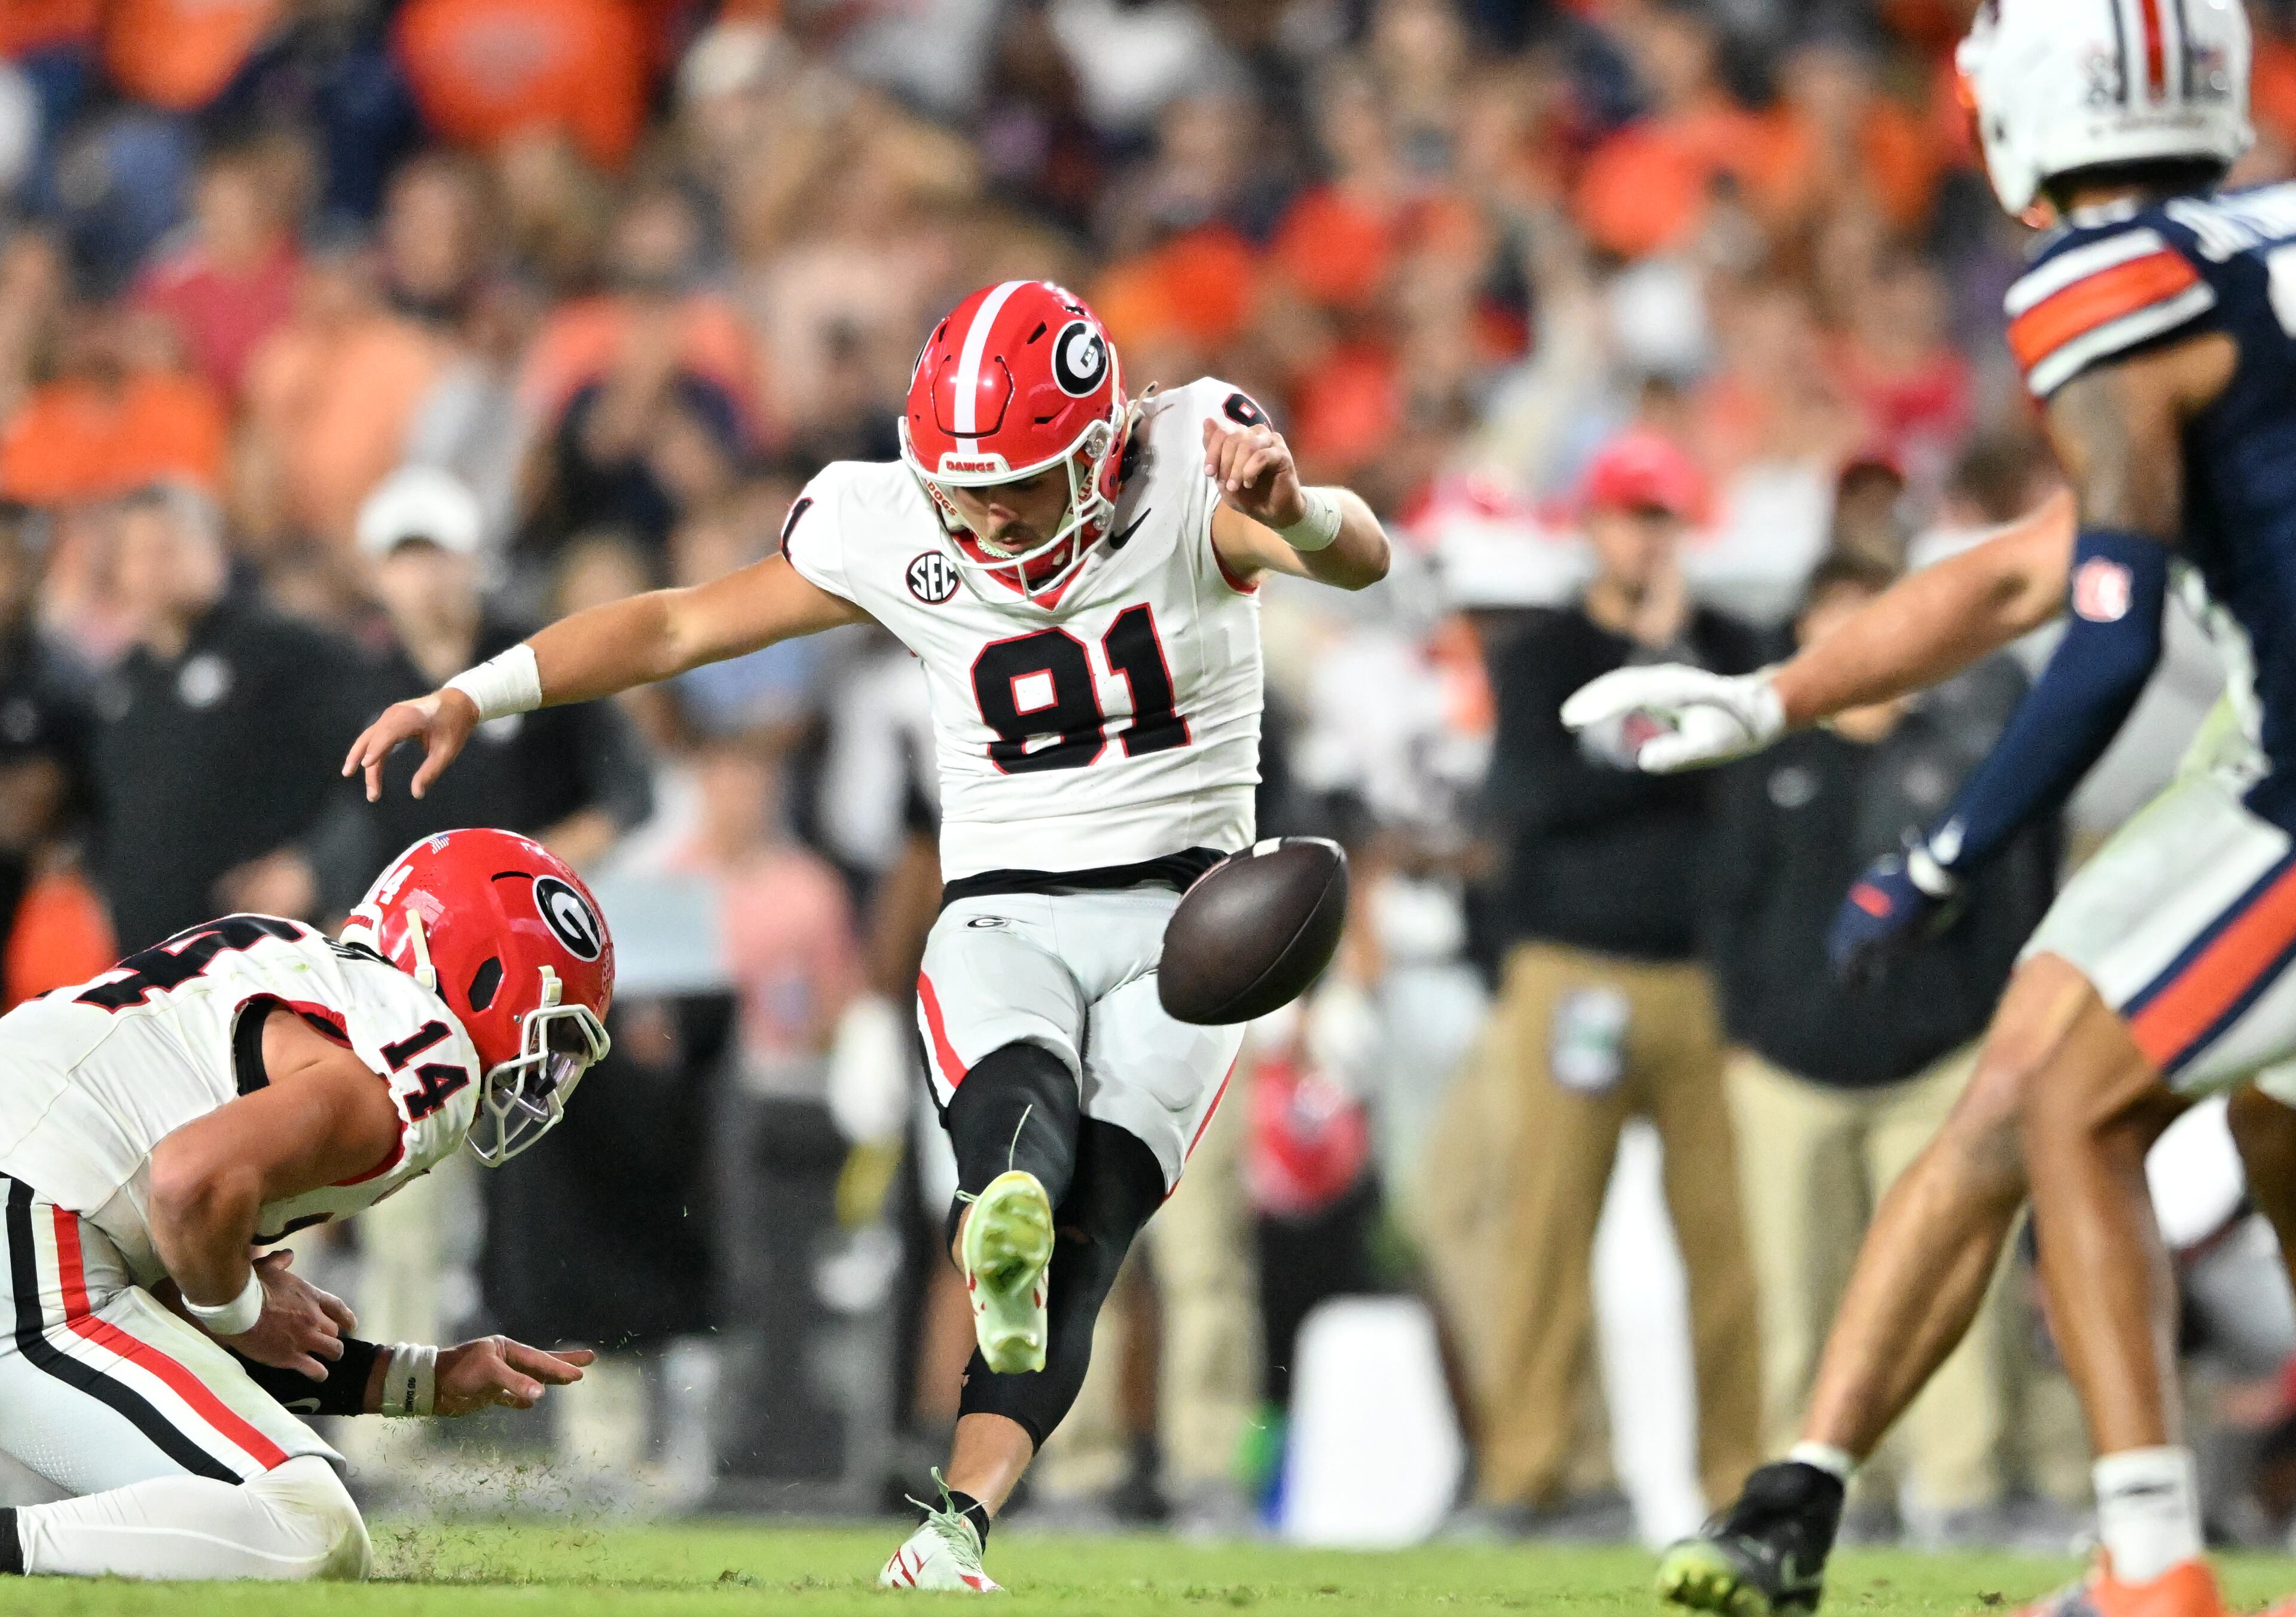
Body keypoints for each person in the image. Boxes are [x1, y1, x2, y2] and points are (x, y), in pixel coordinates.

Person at [344, 279, 1391, 1591]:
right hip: (1019, 894)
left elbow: (1361, 558)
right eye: (970, 485)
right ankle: (997, 1249)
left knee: (1085, 1216)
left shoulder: (1195, 461)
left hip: (1187, 922)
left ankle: (959, 1519)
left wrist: (1295, 505)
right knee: (1046, 1167)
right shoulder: (903, 515)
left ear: (1102, 444)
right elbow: (679, 622)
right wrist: (476, 687)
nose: (991, 512)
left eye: (1021, 481)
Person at [1562, 4, 2296, 1610]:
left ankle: (2153, 1568)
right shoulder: (2264, 239)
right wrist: (1773, 698)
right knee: (2113, 1089)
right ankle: (1804, 1494)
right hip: (2256, 761)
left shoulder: (2112, 284)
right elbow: (2035, 562)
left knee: (2075, 1106)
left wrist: (1944, 853)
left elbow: (2100, 630)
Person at [0, 826, 613, 1581]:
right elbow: (188, 1182)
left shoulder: (298, 959)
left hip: (42, 1207)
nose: (544, 1078)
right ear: (483, 975)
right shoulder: (432, 1057)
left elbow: (182, 1314)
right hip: (29, 1218)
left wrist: (421, 1376)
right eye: (549, 1033)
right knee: (305, 1527)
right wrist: (243, 1308)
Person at [1706, 553, 2054, 1544]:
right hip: (1789, 1066)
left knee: (1952, 1285)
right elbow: (1724, 905)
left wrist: (1986, 1036)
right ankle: (1807, 1499)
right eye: (1834, 615)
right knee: (1799, 1292)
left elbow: (2006, 903)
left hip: (1933, 1061)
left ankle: (1963, 1489)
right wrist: (1742, 1034)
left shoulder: (1959, 752)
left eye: (1874, 617)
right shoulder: (1770, 760)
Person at [1467, 426, 1766, 1525]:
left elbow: (1743, 792)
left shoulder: (1734, 642)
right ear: (1592, 525)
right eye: (1634, 516)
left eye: (1665, 518)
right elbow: (1531, 796)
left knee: (1730, 1251)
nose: (1649, 539)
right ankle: (1530, 1470)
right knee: (1546, 1234)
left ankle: (1739, 1482)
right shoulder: (1541, 656)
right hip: (1574, 969)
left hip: (1704, 979)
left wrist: (1659, 691)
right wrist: (1659, 713)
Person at [89, 483, 375, 951]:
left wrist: (316, 866)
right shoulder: (121, 686)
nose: (153, 567)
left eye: (169, 548)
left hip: (272, 951)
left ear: (215, 551)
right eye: (138, 554)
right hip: (152, 964)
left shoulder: (290, 653)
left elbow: (375, 768)